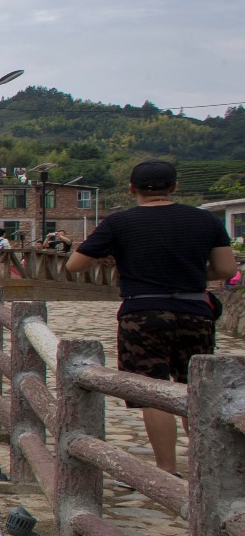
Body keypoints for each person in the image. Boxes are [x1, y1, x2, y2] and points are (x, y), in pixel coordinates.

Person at [68, 160, 237, 474]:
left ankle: (165, 469)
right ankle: (205, 471)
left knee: (153, 389)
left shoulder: (118, 223)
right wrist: (192, 274)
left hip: (142, 312)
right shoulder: (204, 220)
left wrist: (114, 258)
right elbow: (227, 270)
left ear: (132, 188)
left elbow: (74, 265)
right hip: (195, 311)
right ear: (174, 187)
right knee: (194, 388)